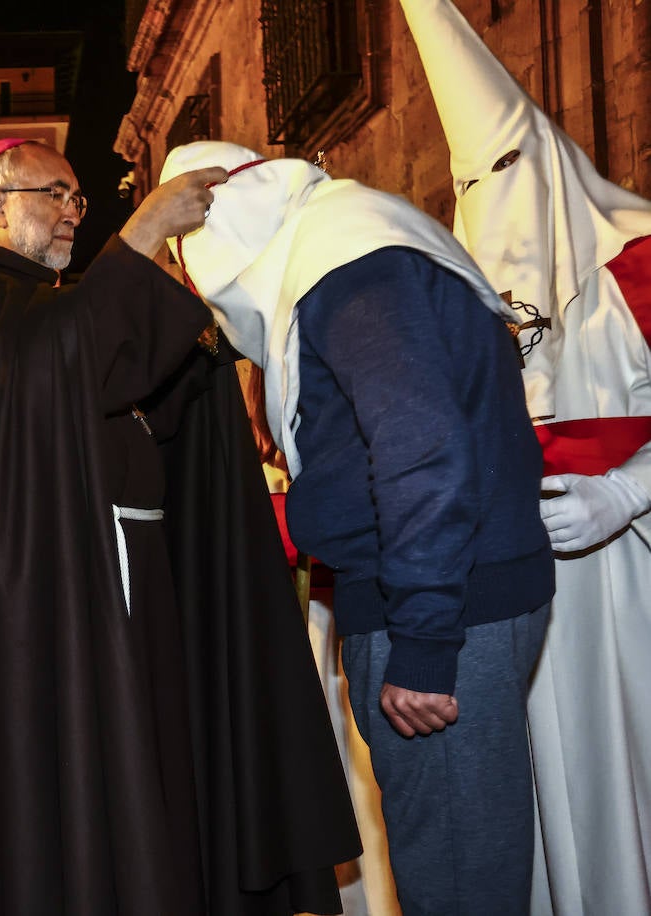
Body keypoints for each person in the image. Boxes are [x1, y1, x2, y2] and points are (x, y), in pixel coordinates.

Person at [0, 137, 360, 915]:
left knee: (158, 758)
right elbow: (48, 370)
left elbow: (114, 387)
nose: (72, 212)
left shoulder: (47, 305)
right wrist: (139, 237)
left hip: (135, 572)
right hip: (42, 603)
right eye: (55, 196)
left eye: (79, 199)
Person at [164, 140, 556, 914]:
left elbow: (421, 449)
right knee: (459, 854)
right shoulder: (362, 244)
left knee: (455, 877)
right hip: (455, 597)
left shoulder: (350, 265)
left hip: (449, 610)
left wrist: (423, 642)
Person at [397, 2, 651, 910]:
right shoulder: (462, 304)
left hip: (630, 585)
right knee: (544, 784)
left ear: (545, 162)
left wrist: (626, 492)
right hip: (519, 593)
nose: (488, 203)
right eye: (469, 187)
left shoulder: (641, 267)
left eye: (502, 170)